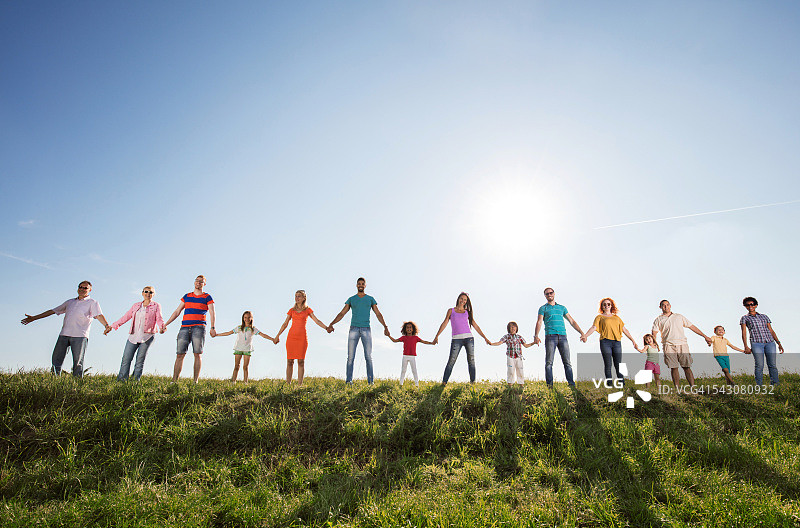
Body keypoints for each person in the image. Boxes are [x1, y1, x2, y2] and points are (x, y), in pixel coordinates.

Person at [21, 280, 111, 377]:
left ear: (90, 290)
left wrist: (106, 326)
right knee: (56, 360)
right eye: (80, 287)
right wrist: (34, 318)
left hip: (80, 336)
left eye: (85, 288)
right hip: (64, 334)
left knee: (78, 362)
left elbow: (99, 315)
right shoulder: (70, 302)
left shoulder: (92, 303)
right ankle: (54, 380)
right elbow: (53, 311)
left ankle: (77, 382)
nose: (82, 289)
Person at [327, 277, 390, 385]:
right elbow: (342, 313)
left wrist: (385, 326)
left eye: (362, 284)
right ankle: (348, 381)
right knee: (350, 357)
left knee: (368, 357)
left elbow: (378, 314)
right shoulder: (351, 299)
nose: (360, 285)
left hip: (366, 329)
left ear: (365, 286)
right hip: (354, 329)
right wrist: (332, 324)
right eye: (359, 283)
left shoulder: (370, 299)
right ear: (356, 285)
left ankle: (370, 382)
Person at [105, 285, 165, 381]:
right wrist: (112, 326)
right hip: (133, 336)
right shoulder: (136, 305)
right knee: (126, 358)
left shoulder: (156, 305)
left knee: (140, 360)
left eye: (151, 292)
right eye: (146, 291)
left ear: (153, 294)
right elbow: (125, 317)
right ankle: (121, 380)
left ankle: (134, 382)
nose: (148, 294)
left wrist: (162, 327)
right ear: (142, 293)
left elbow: (159, 318)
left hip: (147, 336)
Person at [163, 275, 216, 382]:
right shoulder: (187, 296)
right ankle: (174, 381)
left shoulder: (207, 297)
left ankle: (195, 381)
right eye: (197, 281)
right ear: (194, 282)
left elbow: (212, 312)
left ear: (204, 284)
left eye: (201, 281)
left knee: (197, 354)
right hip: (184, 328)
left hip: (199, 327)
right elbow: (177, 311)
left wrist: (212, 327)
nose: (198, 283)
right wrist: (166, 324)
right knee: (179, 355)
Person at [651, 300, 712, 389]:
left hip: (682, 344)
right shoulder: (658, 320)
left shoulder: (679, 316)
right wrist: (653, 344)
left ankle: (693, 388)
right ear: (660, 307)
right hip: (668, 345)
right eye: (663, 305)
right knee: (674, 367)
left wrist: (705, 336)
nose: (666, 307)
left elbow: (692, 327)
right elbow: (654, 333)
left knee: (686, 367)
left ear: (670, 306)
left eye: (667, 305)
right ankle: (677, 389)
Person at [433, 292, 491, 385]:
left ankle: (473, 383)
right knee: (451, 360)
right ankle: (444, 382)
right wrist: (437, 336)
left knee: (471, 361)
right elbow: (444, 323)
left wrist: (485, 338)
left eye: (465, 300)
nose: (463, 301)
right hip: (456, 339)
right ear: (458, 299)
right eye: (461, 299)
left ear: (466, 302)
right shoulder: (451, 311)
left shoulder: (467, 312)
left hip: (469, 338)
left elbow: (475, 325)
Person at [274, 290, 329, 385]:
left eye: (299, 296)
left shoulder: (307, 310)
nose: (297, 298)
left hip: (302, 338)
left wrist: (326, 328)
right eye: (296, 296)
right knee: (290, 361)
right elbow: (285, 324)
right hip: (291, 338)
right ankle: (288, 384)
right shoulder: (292, 310)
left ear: (304, 298)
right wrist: (277, 336)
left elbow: (317, 321)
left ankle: (299, 385)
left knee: (301, 361)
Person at [581, 298, 639, 385]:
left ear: (611, 306)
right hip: (605, 342)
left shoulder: (617, 318)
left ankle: (622, 384)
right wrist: (585, 335)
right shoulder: (599, 317)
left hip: (617, 342)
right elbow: (594, 327)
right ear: (602, 307)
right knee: (608, 364)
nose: (606, 306)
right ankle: (609, 384)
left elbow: (624, 330)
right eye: (604, 304)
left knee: (618, 364)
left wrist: (633, 340)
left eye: (608, 304)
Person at [533, 287, 582, 388]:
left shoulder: (562, 308)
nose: (549, 295)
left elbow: (572, 321)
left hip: (563, 337)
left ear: (554, 293)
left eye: (551, 293)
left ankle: (571, 384)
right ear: (545, 296)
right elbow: (539, 322)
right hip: (550, 337)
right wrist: (536, 336)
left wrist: (582, 333)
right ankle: (550, 385)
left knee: (567, 362)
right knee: (549, 362)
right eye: (547, 294)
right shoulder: (543, 308)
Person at [213, 311, 274, 382]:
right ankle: (233, 382)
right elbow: (228, 333)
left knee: (245, 367)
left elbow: (263, 335)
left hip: (247, 349)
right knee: (236, 366)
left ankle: (245, 383)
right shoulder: (239, 328)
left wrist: (272, 339)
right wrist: (217, 335)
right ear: (243, 318)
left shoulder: (253, 329)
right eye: (245, 317)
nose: (247, 319)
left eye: (249, 317)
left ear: (251, 318)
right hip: (238, 348)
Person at [740, 296, 784, 386]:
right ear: (745, 306)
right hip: (756, 343)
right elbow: (744, 333)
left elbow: (771, 330)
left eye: (752, 304)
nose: (750, 306)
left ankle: (775, 384)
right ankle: (759, 386)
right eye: (747, 305)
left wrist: (778, 343)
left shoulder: (764, 316)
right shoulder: (745, 318)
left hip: (770, 342)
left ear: (756, 305)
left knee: (772, 365)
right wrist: (746, 346)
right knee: (759, 365)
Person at [386, 321, 434, 387]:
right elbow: (394, 341)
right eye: (407, 327)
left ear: (413, 329)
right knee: (403, 370)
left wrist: (432, 343)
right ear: (405, 329)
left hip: (412, 357)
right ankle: (401, 384)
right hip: (405, 356)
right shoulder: (403, 337)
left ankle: (417, 385)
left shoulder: (416, 338)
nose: (409, 329)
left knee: (414, 371)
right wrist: (388, 335)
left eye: (410, 327)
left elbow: (424, 341)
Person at [488, 321, 535, 387]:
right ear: (508, 329)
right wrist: (491, 344)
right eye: (511, 327)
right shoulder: (507, 336)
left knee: (520, 371)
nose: (513, 328)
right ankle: (510, 386)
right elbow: (499, 343)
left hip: (518, 357)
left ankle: (521, 385)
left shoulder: (519, 337)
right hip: (510, 357)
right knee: (510, 371)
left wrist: (534, 343)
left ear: (516, 328)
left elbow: (526, 345)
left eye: (514, 327)